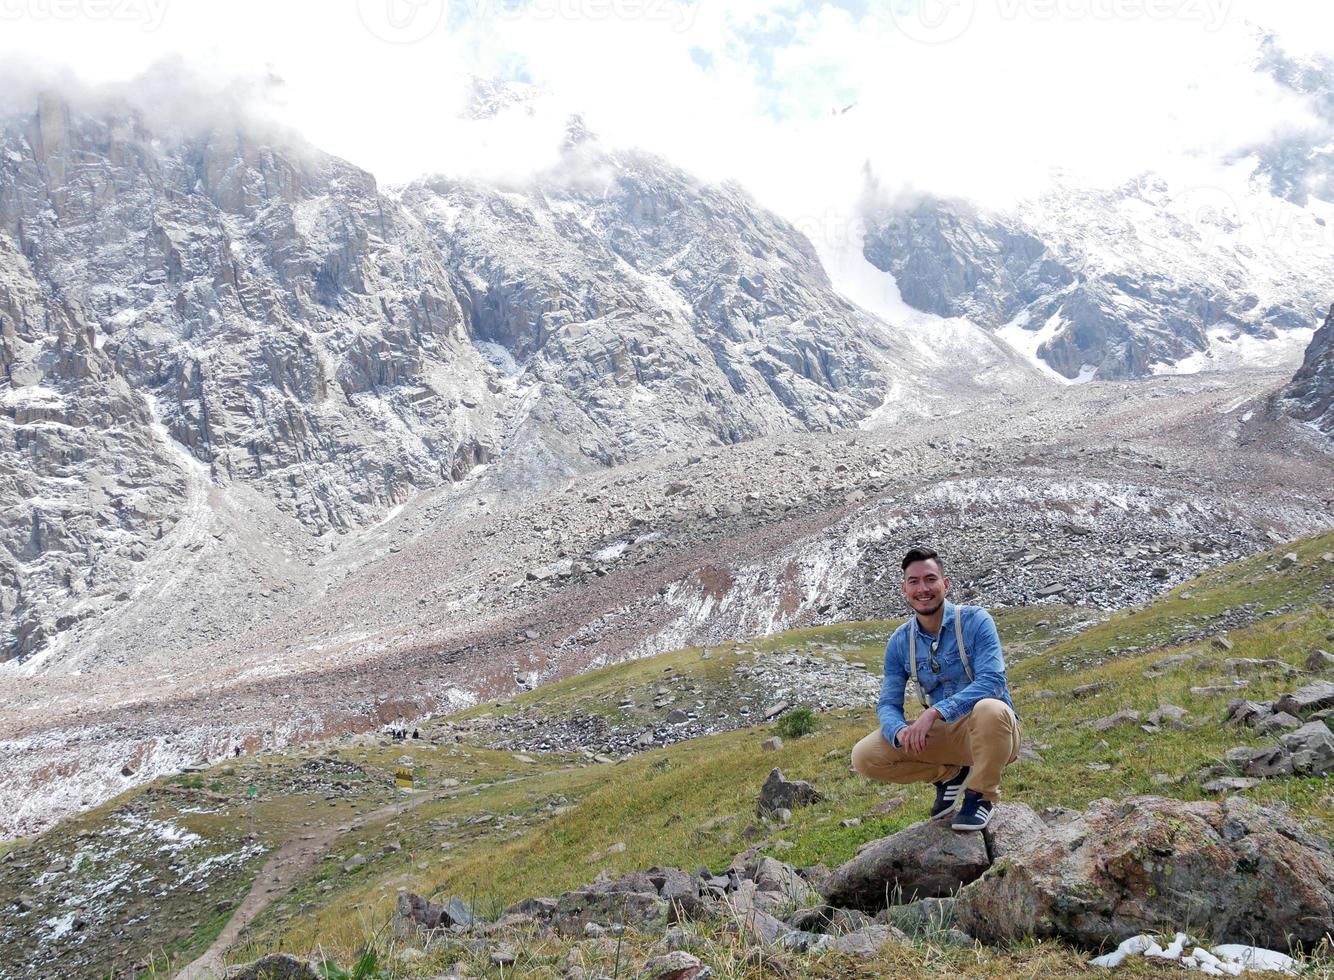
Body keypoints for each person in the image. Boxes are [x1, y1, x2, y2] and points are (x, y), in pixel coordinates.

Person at [851, 546, 1020, 831]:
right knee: (865, 756)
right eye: (914, 582)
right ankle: (949, 774)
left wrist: (934, 713)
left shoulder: (976, 620)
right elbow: (888, 703)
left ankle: (980, 795)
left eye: (930, 579)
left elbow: (993, 682)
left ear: (946, 583)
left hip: (994, 731)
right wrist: (899, 731)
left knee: (990, 708)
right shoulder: (900, 642)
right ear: (904, 588)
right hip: (947, 735)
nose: (923, 589)